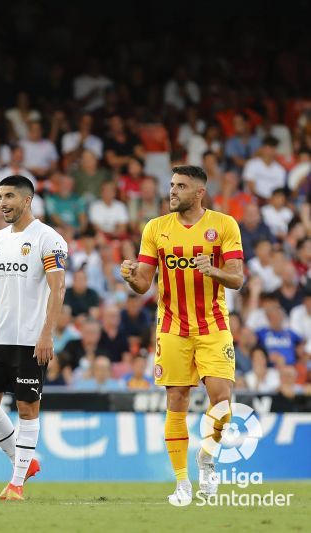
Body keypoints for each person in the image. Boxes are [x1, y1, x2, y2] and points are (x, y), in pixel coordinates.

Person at [120, 165, 244, 506]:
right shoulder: (156, 228)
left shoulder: (223, 225)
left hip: (213, 325)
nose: (172, 191)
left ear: (199, 192)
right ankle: (181, 482)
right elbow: (144, 284)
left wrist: (213, 269)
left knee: (222, 399)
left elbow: (237, 279)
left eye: (181, 186)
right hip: (172, 327)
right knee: (176, 401)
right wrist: (131, 277)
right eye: (172, 184)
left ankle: (207, 455)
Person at [0, 175, 68, 501]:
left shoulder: (49, 239)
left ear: (27, 200)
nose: (2, 203)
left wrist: (46, 333)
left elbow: (58, 288)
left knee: (27, 408)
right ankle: (25, 463)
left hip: (29, 339)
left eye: (8, 196)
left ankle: (17, 482)